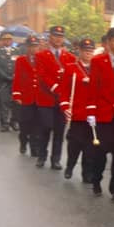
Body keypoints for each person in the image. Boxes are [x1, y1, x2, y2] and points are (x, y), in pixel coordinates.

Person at [89, 28, 114, 201]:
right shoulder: (98, 61)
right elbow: (93, 88)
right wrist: (91, 112)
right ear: (108, 43)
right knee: (100, 153)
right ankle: (96, 180)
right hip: (104, 114)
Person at [35, 25, 76, 170]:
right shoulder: (41, 55)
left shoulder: (70, 57)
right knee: (45, 127)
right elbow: (42, 75)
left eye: (61, 36)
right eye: (55, 36)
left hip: (62, 101)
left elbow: (72, 77)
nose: (58, 39)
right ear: (50, 37)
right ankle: (42, 155)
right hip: (46, 98)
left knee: (60, 130)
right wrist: (56, 88)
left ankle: (56, 159)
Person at [12, 35, 57, 163]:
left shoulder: (42, 59)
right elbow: (17, 78)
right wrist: (17, 94)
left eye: (36, 46)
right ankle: (23, 141)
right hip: (26, 97)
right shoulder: (21, 60)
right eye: (31, 46)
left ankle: (34, 147)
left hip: (39, 97)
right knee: (25, 124)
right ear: (27, 47)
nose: (34, 49)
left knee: (37, 125)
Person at [59, 38, 97, 182]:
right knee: (75, 143)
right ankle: (70, 166)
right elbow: (64, 91)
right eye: (85, 50)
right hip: (77, 112)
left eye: (90, 51)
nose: (88, 53)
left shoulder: (97, 68)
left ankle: (86, 173)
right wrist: (65, 107)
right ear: (80, 51)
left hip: (93, 113)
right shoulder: (71, 68)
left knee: (90, 146)